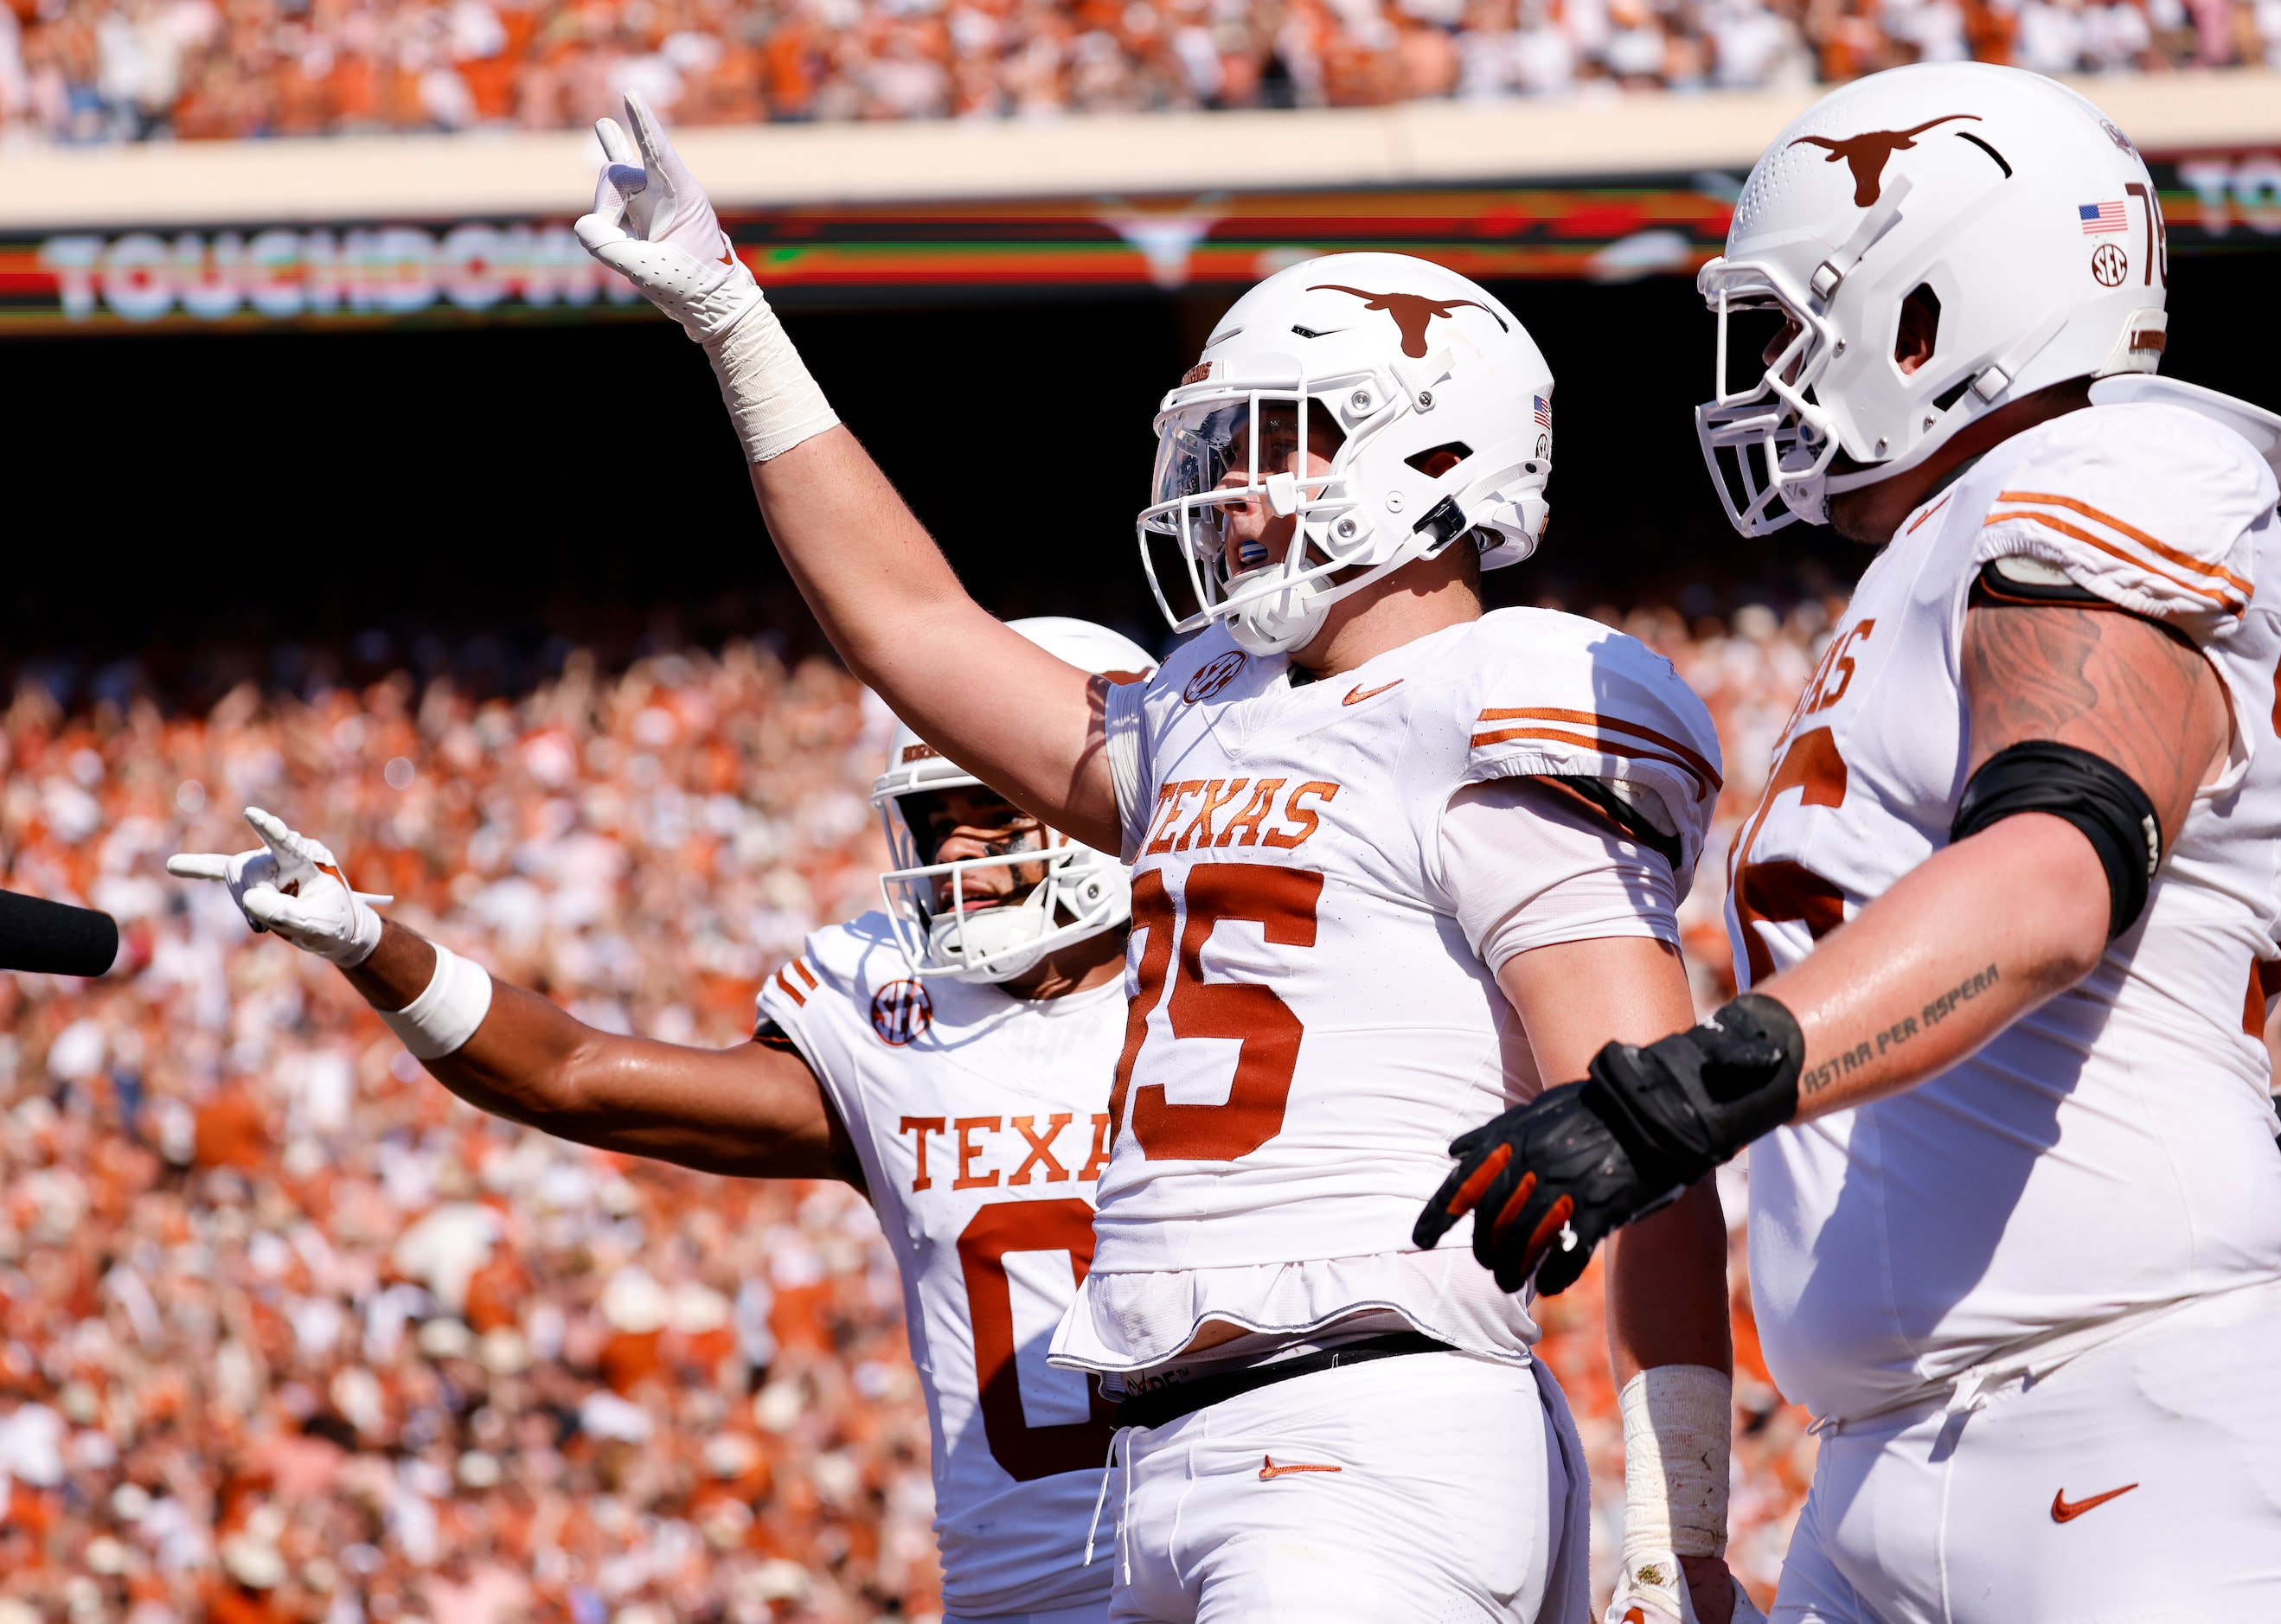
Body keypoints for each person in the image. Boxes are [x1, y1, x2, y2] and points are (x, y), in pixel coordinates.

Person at [567, 92, 1749, 1623]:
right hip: (1172, 1457)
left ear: (1433, 449)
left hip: (1368, 1430)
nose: (1233, 493)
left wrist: (1680, 1529)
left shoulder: (1502, 691)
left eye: (1278, 445)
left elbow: (1648, 1134)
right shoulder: (1203, 710)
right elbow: (912, 629)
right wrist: (734, 321)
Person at [1418, 60, 2281, 1618]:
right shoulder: (1930, 555)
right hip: (1887, 1468)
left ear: (1929, 310)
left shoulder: (2113, 464)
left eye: (1787, 320)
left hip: (2127, 1429)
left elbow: (2051, 874)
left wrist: (1686, 1088)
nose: (1762, 370)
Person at [167, 616, 1156, 1624]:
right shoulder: (892, 1013)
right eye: (935, 821)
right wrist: (370, 943)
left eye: (988, 815)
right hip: (1019, 1596)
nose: (956, 858)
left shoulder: (1240, 976)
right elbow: (575, 1074)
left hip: (1231, 1539)